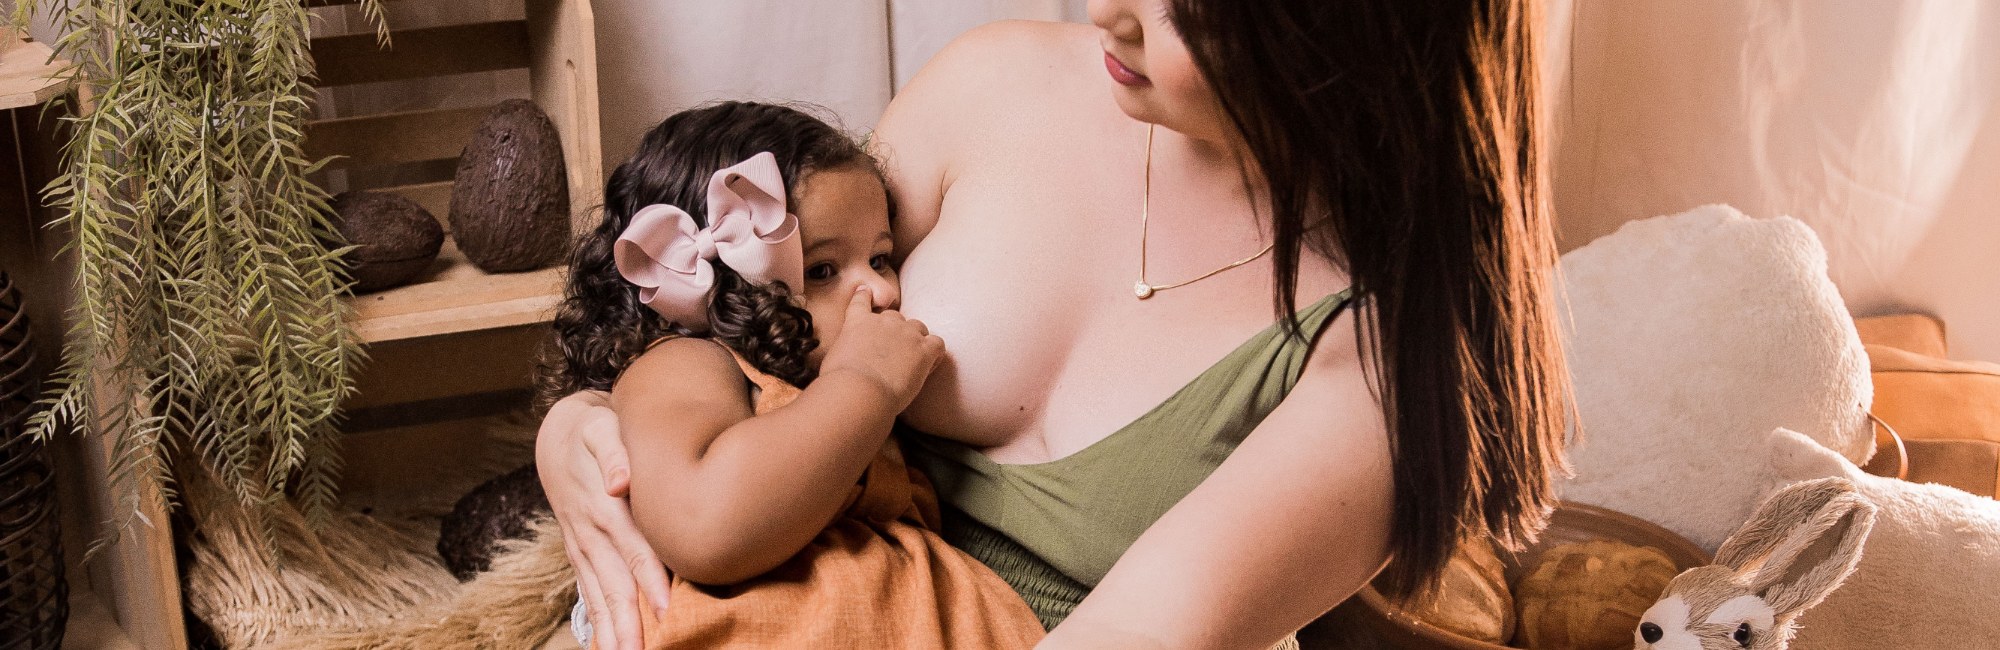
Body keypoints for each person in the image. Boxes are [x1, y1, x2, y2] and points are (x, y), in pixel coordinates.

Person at [538, 0, 1572, 647]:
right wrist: (587, 428)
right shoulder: (996, 83)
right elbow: (754, 323)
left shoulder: (1385, 362)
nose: (1110, 12)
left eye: (1191, 15)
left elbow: (1132, 634)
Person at [544, 101, 1043, 648]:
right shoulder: (683, 363)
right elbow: (703, 525)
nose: (884, 292)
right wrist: (864, 386)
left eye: (879, 258)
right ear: (720, 290)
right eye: (823, 270)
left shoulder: (819, 388)